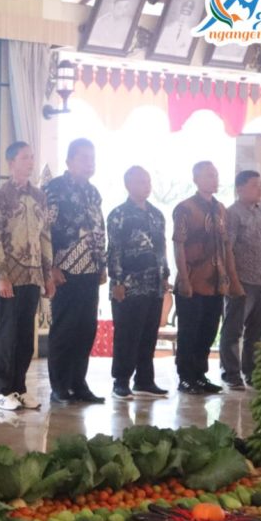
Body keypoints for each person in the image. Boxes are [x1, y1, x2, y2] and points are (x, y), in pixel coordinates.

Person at [0, 141, 54, 411]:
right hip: (9, 277)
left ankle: (19, 388)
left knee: (26, 337)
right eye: (25, 158)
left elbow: (45, 235)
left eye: (32, 157)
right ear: (11, 162)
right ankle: (2, 391)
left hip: (33, 276)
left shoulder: (39, 196)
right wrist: (2, 275)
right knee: (7, 335)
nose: (30, 162)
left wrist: (47, 274)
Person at [172, 161, 243, 395]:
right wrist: (184, 279)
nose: (214, 179)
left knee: (209, 331)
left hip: (216, 282)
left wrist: (231, 279)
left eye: (215, 175)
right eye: (209, 175)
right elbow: (178, 245)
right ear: (196, 179)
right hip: (193, 279)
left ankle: (200, 375)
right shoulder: (185, 208)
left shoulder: (220, 209)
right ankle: (185, 377)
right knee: (189, 332)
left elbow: (226, 245)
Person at [45, 138, 106, 405]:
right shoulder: (55, 188)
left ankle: (78, 384)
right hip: (65, 269)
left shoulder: (93, 192)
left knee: (85, 329)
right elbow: (45, 229)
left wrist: (101, 264)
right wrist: (51, 266)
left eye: (92, 158)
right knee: (64, 329)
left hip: (90, 269)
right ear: (69, 161)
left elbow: (99, 228)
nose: (89, 163)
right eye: (83, 158)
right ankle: (59, 387)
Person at [106, 166, 170, 400]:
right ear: (128, 184)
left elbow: (162, 248)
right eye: (141, 181)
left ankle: (144, 380)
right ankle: (121, 381)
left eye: (148, 181)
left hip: (154, 284)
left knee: (148, 333)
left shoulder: (156, 214)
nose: (147, 185)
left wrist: (165, 276)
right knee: (127, 334)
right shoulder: (119, 214)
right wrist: (117, 280)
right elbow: (114, 249)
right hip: (128, 285)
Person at [219, 171, 261, 390]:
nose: (260, 189)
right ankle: (231, 374)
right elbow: (227, 249)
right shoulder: (232, 214)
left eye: (260, 185)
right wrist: (233, 281)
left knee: (258, 331)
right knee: (233, 330)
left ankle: (251, 372)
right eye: (255, 185)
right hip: (242, 281)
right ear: (240, 188)